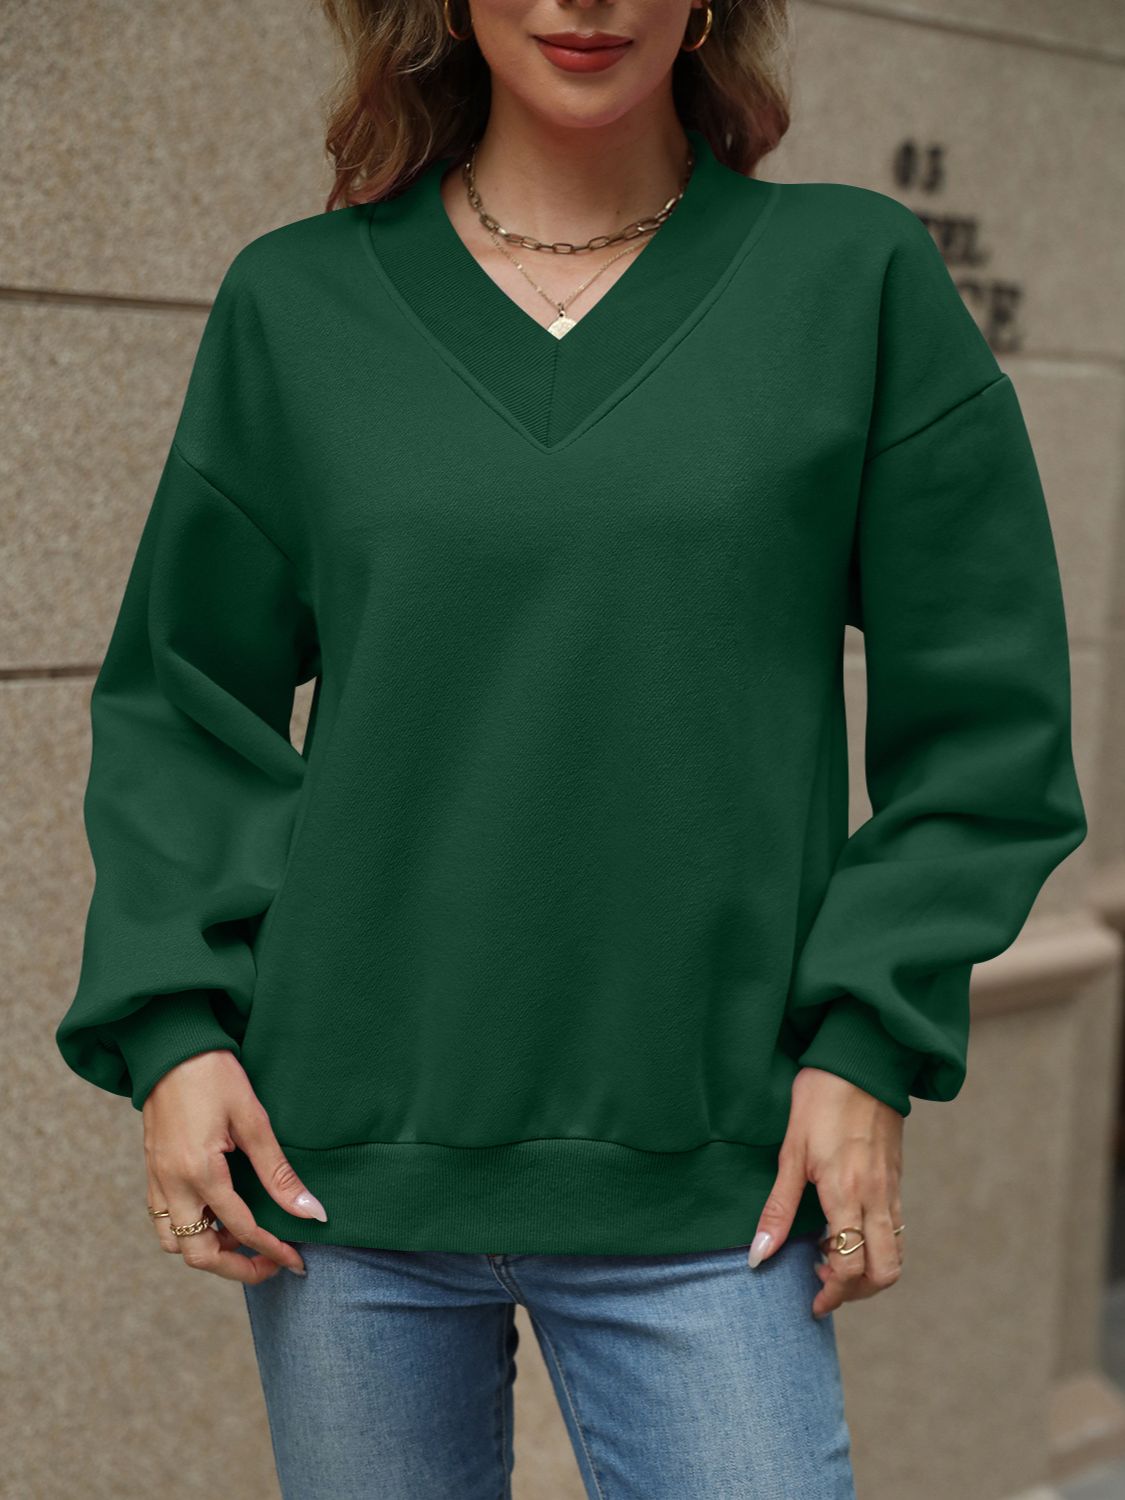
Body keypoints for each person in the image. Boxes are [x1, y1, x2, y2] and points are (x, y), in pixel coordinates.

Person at [54, 0, 1087, 1495]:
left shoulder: (850, 279)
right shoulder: (296, 304)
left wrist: (865, 1044)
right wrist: (174, 1033)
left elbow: (989, 726)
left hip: (718, 1176)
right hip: (337, 1173)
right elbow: (181, 701)